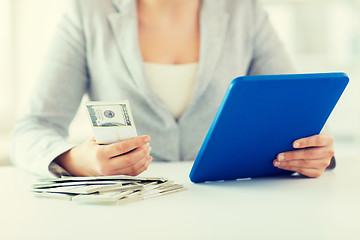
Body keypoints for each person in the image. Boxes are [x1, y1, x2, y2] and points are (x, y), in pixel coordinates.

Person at [11, 0, 335, 178]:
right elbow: (31, 130)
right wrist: (79, 160)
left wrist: (313, 152)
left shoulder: (244, 11)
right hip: (129, 209)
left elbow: (296, 114)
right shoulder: (87, 13)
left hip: (229, 207)